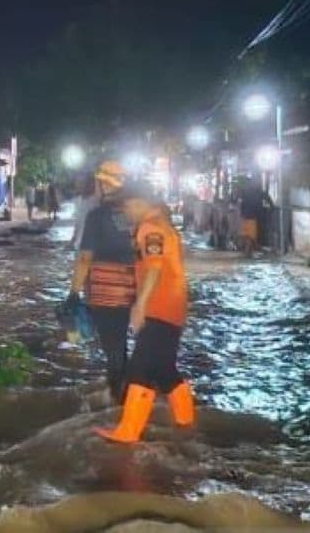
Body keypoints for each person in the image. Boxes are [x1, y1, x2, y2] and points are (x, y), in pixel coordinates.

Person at [95, 184, 195, 444]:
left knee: (139, 369)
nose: (126, 213)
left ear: (138, 203)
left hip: (159, 308)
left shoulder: (150, 228)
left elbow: (153, 268)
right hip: (173, 307)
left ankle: (128, 432)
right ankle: (186, 423)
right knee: (164, 370)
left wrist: (140, 304)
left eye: (127, 207)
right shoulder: (162, 224)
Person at [71, 161, 136, 402]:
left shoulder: (96, 216)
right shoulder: (135, 214)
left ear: (103, 184)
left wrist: (73, 292)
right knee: (122, 343)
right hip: (135, 289)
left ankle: (119, 398)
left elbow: (85, 257)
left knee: (113, 348)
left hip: (105, 290)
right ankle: (128, 394)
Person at [71, 174, 99, 251]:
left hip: (94, 247)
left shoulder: (97, 201)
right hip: (79, 245)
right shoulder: (77, 201)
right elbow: (77, 223)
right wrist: (72, 241)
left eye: (82, 183)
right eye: (77, 183)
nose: (78, 185)